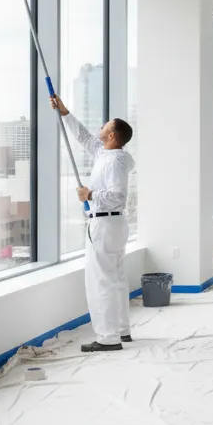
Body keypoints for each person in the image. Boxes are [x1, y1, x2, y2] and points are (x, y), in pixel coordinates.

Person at [50, 95, 136, 353]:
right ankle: (121, 330)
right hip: (111, 225)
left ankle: (108, 338)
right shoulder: (106, 154)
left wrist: (90, 195)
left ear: (112, 136)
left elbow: (118, 196)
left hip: (106, 225)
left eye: (105, 125)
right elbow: (84, 136)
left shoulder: (116, 162)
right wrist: (65, 111)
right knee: (116, 278)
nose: (101, 126)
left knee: (101, 281)